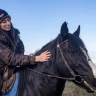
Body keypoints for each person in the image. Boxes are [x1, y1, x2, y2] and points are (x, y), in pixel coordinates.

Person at [0, 9, 51, 96]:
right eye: (3, 21)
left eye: (8, 20)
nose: (8, 23)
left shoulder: (15, 35)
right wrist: (36, 58)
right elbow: (10, 58)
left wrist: (24, 62)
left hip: (14, 66)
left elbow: (20, 52)